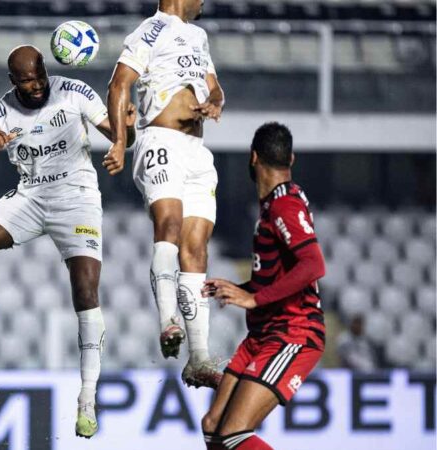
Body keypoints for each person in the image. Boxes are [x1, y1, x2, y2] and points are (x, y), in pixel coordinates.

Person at [0, 45, 135, 438]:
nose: (37, 85)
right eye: (27, 81)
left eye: (40, 76)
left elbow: (117, 133)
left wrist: (124, 135)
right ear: (13, 81)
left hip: (76, 197)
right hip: (31, 196)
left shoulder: (73, 91)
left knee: (86, 291)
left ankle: (87, 399)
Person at [106, 0, 225, 389]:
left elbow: (214, 86)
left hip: (196, 151)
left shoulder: (199, 36)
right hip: (161, 141)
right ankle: (168, 321)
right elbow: (119, 84)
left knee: (197, 249)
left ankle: (199, 358)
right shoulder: (150, 30)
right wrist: (119, 142)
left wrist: (215, 102)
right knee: (169, 225)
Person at [200, 122, 326, 450]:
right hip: (263, 334)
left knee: (234, 433)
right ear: (291, 159)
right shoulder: (275, 204)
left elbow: (313, 264)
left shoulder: (284, 205)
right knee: (213, 426)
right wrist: (238, 288)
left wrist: (254, 299)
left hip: (292, 333)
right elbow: (279, 275)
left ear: (253, 157)